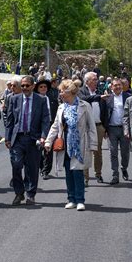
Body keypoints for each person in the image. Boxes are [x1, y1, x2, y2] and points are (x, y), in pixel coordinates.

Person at [45, 79, 97, 211]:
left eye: (62, 91)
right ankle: (71, 199)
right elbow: (56, 126)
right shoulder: (61, 107)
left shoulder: (85, 106)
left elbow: (91, 127)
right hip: (65, 144)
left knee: (78, 172)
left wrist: (93, 145)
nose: (60, 94)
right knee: (69, 172)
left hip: (80, 144)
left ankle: (80, 200)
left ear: (70, 92)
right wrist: (48, 141)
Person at [5, 75, 50, 205]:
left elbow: (45, 120)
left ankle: (30, 194)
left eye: (27, 85)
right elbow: (10, 120)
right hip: (17, 138)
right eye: (22, 85)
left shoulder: (41, 100)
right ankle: (19, 193)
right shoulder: (14, 99)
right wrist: (7, 138)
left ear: (33, 86)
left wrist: (43, 136)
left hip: (33, 138)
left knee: (32, 167)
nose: (24, 88)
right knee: (16, 164)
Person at [78, 71, 109, 186]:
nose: (96, 81)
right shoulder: (81, 91)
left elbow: (105, 111)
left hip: (99, 126)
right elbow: (85, 99)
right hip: (86, 127)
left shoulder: (100, 91)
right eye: (94, 79)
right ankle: (85, 178)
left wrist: (106, 128)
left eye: (96, 79)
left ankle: (98, 174)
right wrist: (99, 97)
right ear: (87, 81)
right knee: (86, 152)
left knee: (98, 151)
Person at [102, 79, 131, 185]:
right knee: (113, 152)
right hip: (112, 129)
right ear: (111, 87)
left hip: (125, 129)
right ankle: (115, 174)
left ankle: (124, 168)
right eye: (115, 85)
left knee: (125, 152)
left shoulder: (128, 97)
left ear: (122, 86)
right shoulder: (108, 98)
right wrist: (105, 129)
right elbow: (104, 114)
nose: (117, 87)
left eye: (119, 85)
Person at [35, 78, 59, 180]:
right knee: (38, 148)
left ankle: (46, 170)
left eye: (45, 87)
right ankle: (41, 167)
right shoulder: (35, 99)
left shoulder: (51, 98)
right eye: (41, 87)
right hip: (38, 126)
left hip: (51, 125)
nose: (43, 88)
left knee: (48, 149)